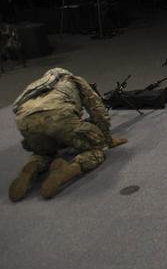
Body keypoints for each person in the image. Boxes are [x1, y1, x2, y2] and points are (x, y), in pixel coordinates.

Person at [9, 67, 127, 201]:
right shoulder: (75, 81)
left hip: (25, 121)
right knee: (96, 148)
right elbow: (98, 111)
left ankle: (32, 167)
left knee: (45, 152)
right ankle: (67, 172)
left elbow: (17, 107)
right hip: (59, 117)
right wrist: (108, 139)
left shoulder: (35, 87)